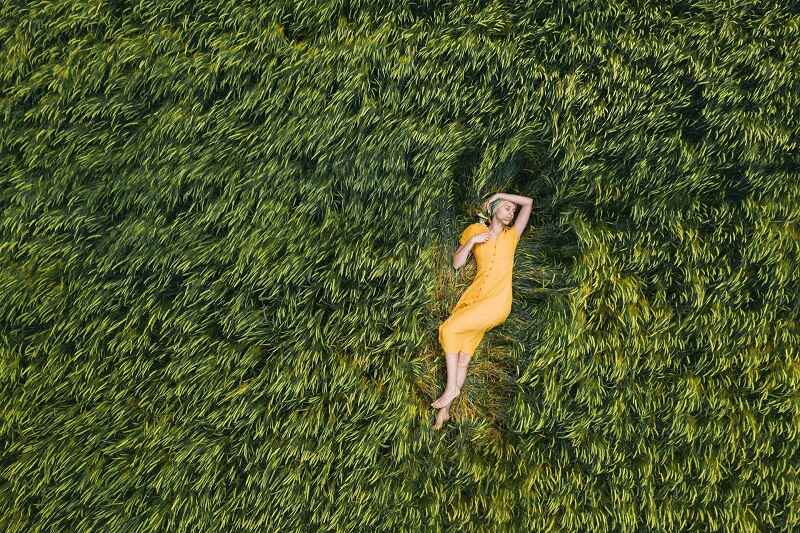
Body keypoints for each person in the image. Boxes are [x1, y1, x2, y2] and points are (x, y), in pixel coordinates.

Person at [433, 192, 533, 430]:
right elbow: (457, 263)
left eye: (513, 210)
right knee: (463, 353)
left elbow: (528, 202)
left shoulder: (513, 236)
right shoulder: (475, 231)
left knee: (448, 330)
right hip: (473, 300)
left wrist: (499, 194)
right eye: (507, 208)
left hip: (498, 303)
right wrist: (470, 243)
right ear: (495, 209)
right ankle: (444, 413)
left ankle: (451, 389)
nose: (512, 212)